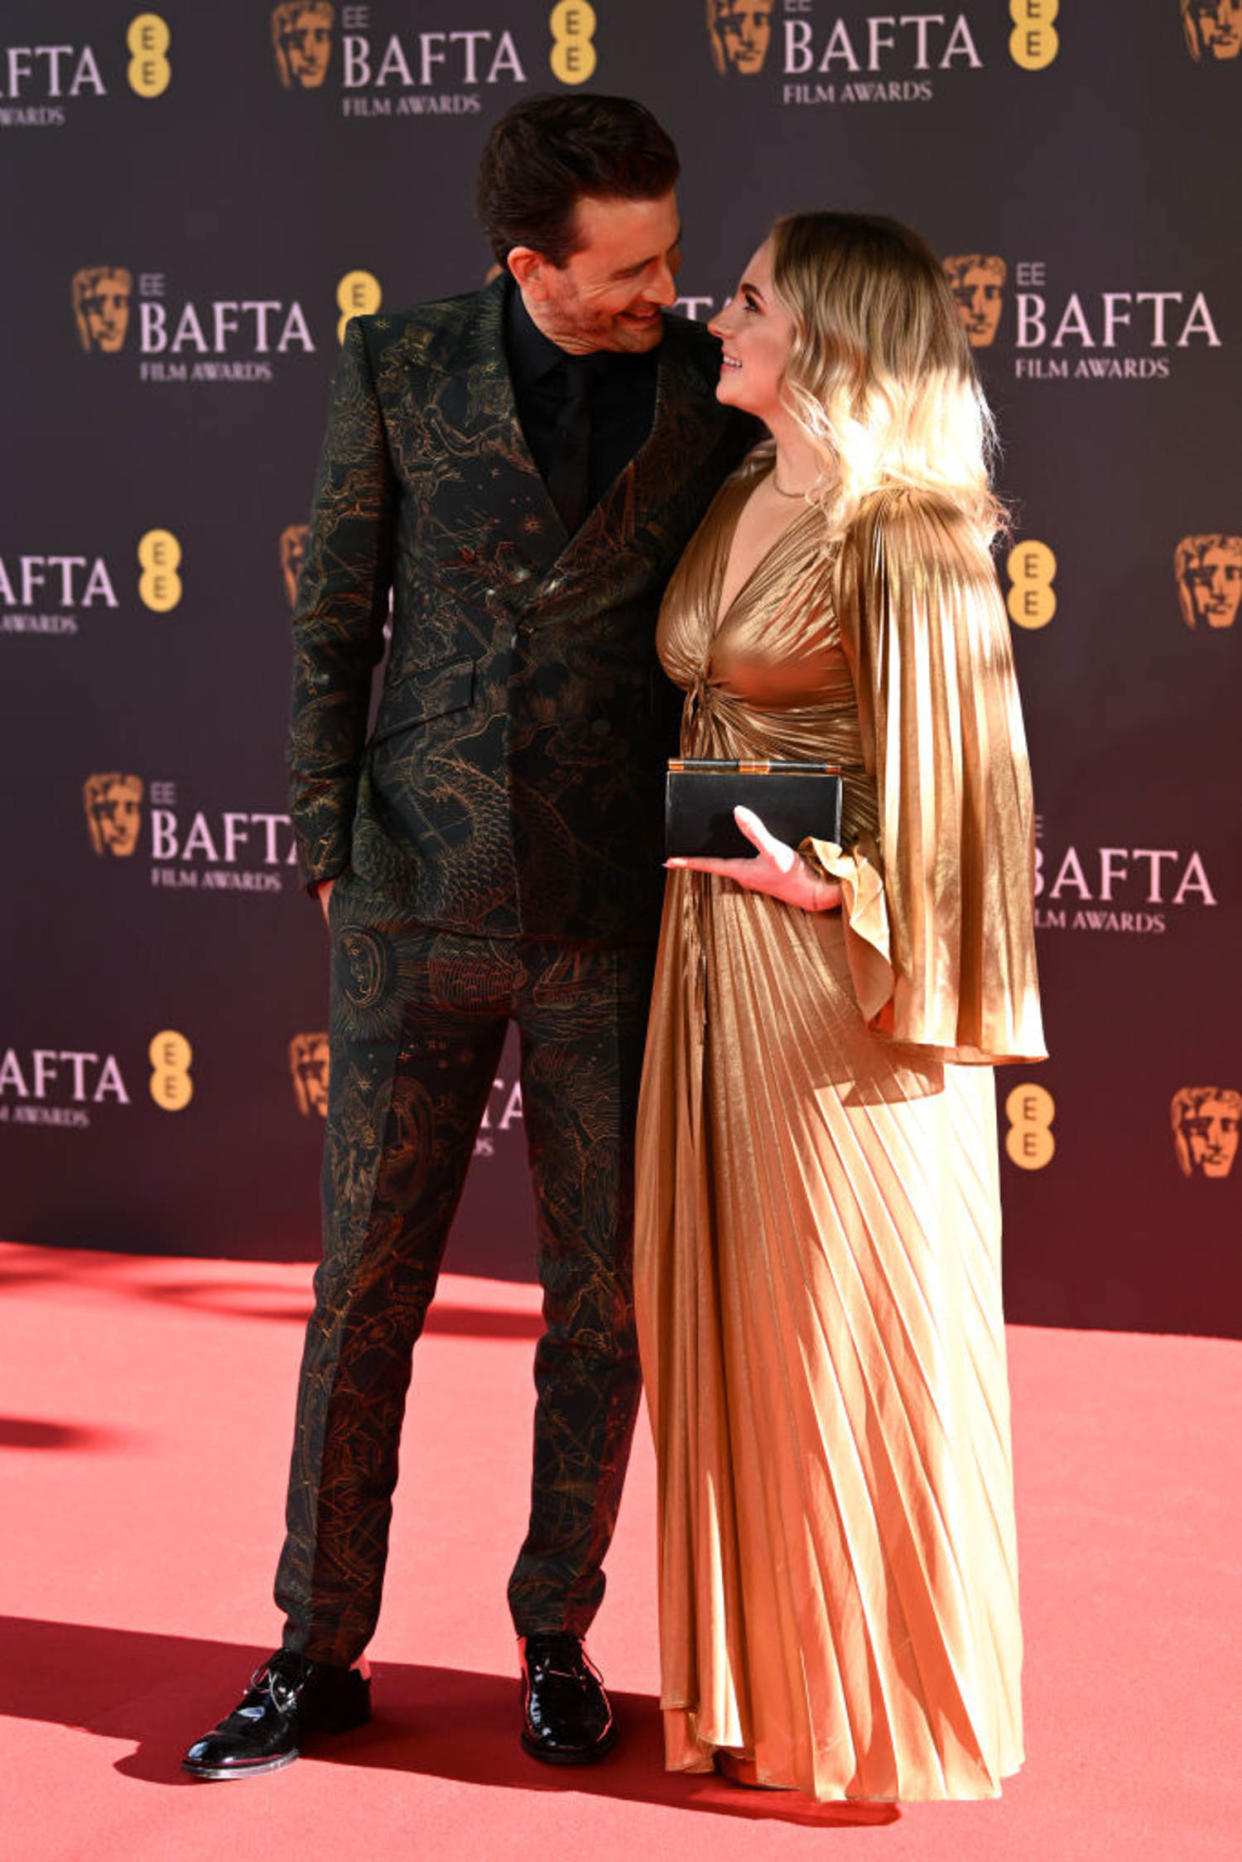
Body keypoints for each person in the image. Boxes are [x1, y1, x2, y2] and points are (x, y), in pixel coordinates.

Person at [182, 94, 756, 1781]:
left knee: (603, 1301)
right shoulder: (395, 360)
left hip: (613, 912)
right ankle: (313, 1644)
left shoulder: (708, 386)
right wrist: (317, 845)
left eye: (672, 247)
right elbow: (334, 615)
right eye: (632, 264)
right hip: (410, 898)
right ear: (531, 263)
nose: (670, 283)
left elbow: (736, 641)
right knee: (363, 1288)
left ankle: (554, 1636)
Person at [634, 211, 1046, 1803]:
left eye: (744, 298)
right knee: (735, 1320)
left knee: (849, 1330)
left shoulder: (907, 529)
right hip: (712, 962)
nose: (712, 316)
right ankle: (766, 1693)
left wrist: (845, 889)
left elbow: (973, 798)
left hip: (839, 999)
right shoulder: (750, 490)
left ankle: (879, 1718)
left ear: (828, 337)